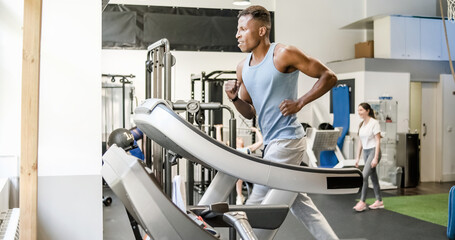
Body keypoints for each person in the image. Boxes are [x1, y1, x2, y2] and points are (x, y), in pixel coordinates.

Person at [224, 5, 339, 240]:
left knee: (258, 201)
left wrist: (300, 102)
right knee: (300, 205)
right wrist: (235, 98)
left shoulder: (283, 53)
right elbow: (249, 112)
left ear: (262, 31)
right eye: (238, 30)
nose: (237, 35)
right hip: (271, 142)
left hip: (288, 140)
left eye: (243, 29)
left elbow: (329, 76)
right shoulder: (242, 68)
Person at [214, 125, 264, 205]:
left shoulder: (246, 149)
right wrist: (218, 129)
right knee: (234, 172)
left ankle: (239, 196)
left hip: (244, 171)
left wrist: (256, 130)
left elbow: (261, 142)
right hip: (233, 169)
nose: (238, 138)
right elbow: (219, 142)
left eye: (239, 138)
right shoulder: (230, 149)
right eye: (236, 138)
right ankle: (220, 197)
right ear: (229, 143)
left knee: (238, 173)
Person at [353, 102, 384, 212]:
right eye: (358, 110)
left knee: (364, 176)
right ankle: (379, 201)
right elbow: (360, 142)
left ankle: (362, 202)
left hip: (373, 151)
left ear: (367, 111)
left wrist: (375, 157)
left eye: (361, 110)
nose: (359, 112)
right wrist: (357, 157)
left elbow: (377, 140)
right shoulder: (362, 125)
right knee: (373, 176)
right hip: (366, 152)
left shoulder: (374, 123)